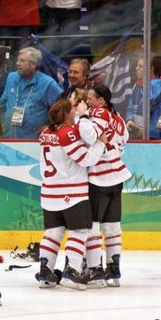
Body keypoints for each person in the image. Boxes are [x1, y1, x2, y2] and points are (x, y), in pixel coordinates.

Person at [35, 97, 107, 289]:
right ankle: (72, 271)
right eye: (72, 110)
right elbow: (86, 159)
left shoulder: (45, 133)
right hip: (71, 193)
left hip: (49, 192)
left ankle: (45, 272)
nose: (75, 112)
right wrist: (100, 143)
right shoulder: (67, 133)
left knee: (53, 233)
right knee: (80, 231)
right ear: (66, 114)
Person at [83, 83, 131, 287]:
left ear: (101, 101)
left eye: (91, 98)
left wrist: (83, 116)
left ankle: (94, 270)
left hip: (99, 179)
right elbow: (125, 139)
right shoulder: (118, 117)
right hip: (117, 177)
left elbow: (89, 135)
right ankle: (114, 269)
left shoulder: (99, 114)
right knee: (112, 227)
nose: (87, 102)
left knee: (92, 226)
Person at [0, 47, 63, 139]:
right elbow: (3, 102)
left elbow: (62, 109)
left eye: (22, 61)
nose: (17, 63)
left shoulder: (48, 83)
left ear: (33, 64)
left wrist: (51, 127)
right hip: (9, 139)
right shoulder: (11, 77)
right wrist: (4, 121)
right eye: (18, 60)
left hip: (34, 142)